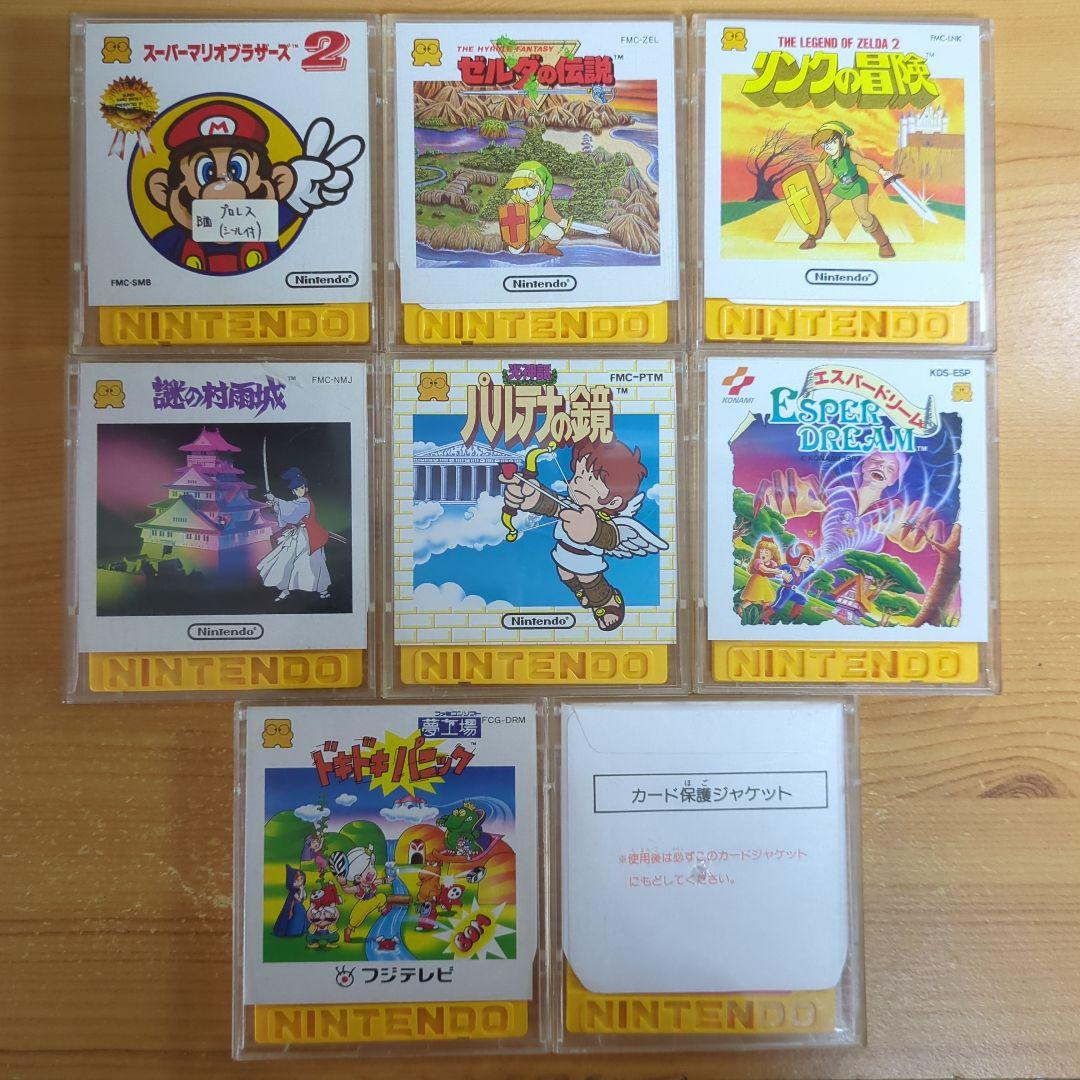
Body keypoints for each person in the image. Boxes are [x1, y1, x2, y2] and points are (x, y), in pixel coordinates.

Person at [800, 120, 895, 258]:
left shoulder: (849, 155)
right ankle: (812, 238)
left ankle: (884, 244)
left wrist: (882, 171)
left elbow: (865, 162)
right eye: (825, 144)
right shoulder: (829, 161)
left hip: (856, 185)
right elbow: (828, 179)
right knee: (823, 210)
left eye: (831, 142)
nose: (828, 147)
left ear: (842, 140)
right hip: (841, 187)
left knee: (863, 214)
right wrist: (815, 187)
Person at [257, 467, 330, 601]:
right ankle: (285, 590)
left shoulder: (305, 501)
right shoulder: (299, 502)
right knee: (285, 559)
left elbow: (291, 509)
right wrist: (274, 504)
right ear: (293, 491)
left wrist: (275, 499)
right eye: (296, 489)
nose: (299, 491)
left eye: (301, 488)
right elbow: (289, 513)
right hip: (299, 534)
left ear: (306, 488)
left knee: (312, 563)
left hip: (310, 537)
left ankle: (322, 591)